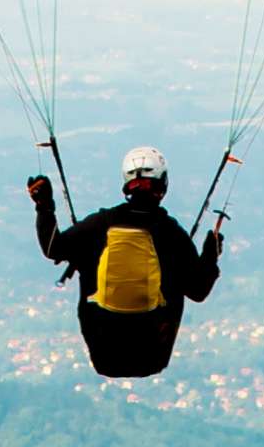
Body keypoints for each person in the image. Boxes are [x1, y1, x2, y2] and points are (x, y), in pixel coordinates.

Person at [27, 146, 223, 379]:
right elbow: (198, 290)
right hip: (152, 356)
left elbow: (52, 248)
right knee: (171, 278)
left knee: (90, 267)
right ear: (163, 184)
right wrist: (210, 254)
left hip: (105, 355)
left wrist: (44, 207)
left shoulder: (98, 225)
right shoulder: (170, 234)